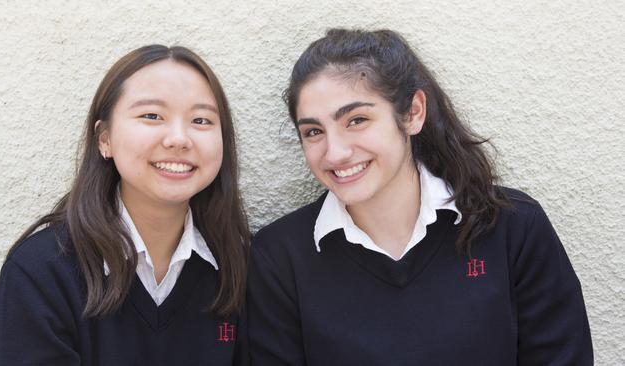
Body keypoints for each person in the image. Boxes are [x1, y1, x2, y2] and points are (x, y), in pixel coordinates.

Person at [247, 29, 592, 365]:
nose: (335, 153)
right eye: (313, 132)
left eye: (357, 120)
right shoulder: (278, 258)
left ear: (413, 113)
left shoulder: (513, 228)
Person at [0, 45, 249, 365]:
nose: (179, 139)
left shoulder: (240, 265)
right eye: (152, 116)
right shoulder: (40, 273)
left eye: (201, 120)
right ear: (104, 139)